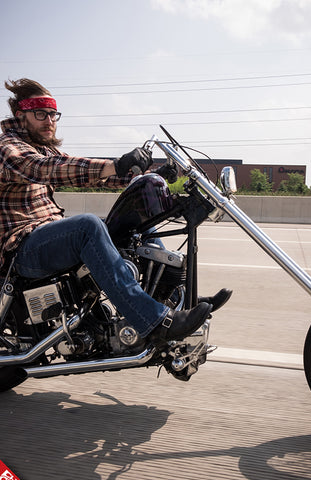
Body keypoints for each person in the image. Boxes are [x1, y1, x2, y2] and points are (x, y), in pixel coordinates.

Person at [0, 78, 213, 345]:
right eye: (40, 114)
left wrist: (145, 174)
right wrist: (115, 163)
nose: (49, 121)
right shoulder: (8, 148)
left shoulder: (43, 147)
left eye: (53, 114)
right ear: (21, 115)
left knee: (135, 216)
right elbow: (43, 168)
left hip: (44, 239)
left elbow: (95, 176)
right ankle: (152, 321)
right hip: (20, 249)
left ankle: (170, 298)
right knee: (87, 226)